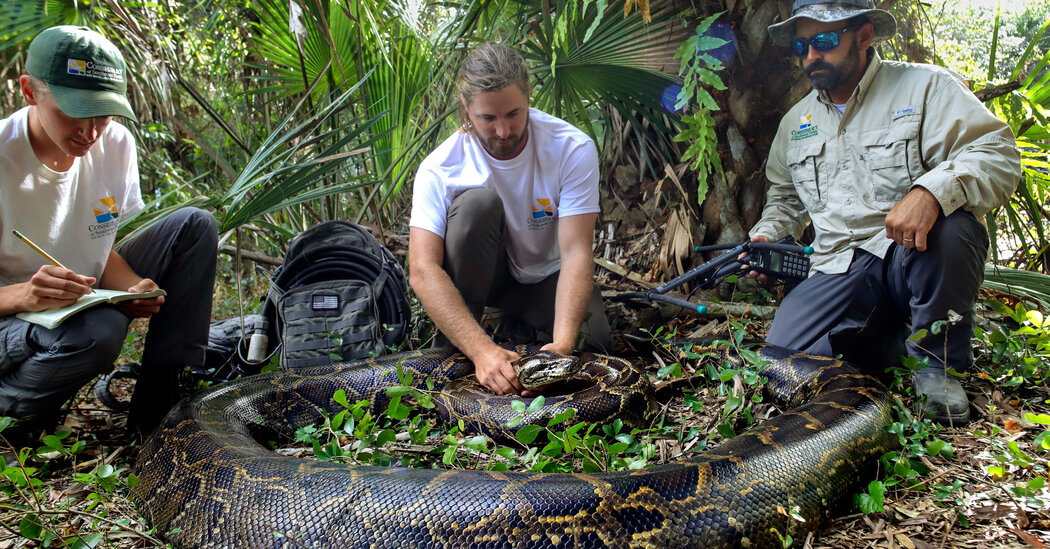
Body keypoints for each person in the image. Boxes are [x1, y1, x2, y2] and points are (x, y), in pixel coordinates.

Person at [749, 0, 1021, 425]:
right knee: (779, 363)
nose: (811, 56)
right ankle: (887, 346)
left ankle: (938, 365)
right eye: (802, 46)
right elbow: (785, 199)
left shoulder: (926, 87)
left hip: (908, 252)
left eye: (823, 41)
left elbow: (997, 154)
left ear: (863, 36)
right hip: (837, 266)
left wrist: (930, 193)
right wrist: (767, 235)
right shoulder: (794, 123)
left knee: (954, 228)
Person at [0, 26, 218, 442]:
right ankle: (12, 420)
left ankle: (160, 405)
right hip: (11, 319)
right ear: (29, 92)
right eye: (73, 111)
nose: (90, 131)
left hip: (72, 298)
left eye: (102, 113)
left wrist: (135, 289)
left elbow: (98, 245)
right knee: (98, 329)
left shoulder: (114, 144)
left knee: (194, 225)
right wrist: (23, 295)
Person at [408, 42, 612, 396]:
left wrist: (561, 348)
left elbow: (577, 253)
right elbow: (422, 270)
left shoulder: (571, 148)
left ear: (528, 97)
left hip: (546, 277)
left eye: (514, 114)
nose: (503, 131)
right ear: (466, 110)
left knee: (595, 345)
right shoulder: (440, 168)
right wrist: (480, 351)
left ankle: (518, 326)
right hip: (488, 281)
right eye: (488, 118)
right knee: (476, 207)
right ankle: (452, 352)